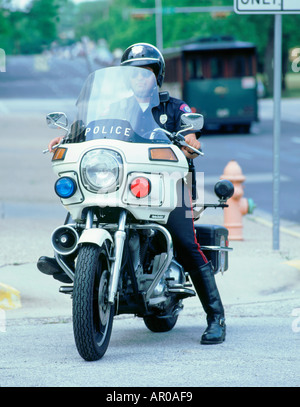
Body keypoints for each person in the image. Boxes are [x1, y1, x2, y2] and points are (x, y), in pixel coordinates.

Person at [38, 43, 226, 345]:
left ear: (157, 76)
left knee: (184, 240)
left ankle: (215, 317)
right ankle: (72, 260)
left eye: (146, 72)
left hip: (166, 185)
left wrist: (190, 141)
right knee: (83, 208)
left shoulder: (175, 108)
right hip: (122, 184)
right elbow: (88, 130)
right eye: (134, 73)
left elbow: (191, 137)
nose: (140, 78)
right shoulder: (115, 108)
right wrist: (69, 135)